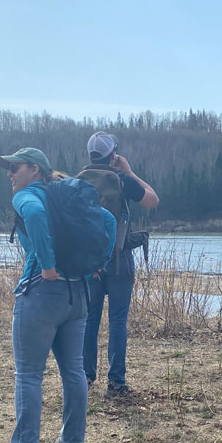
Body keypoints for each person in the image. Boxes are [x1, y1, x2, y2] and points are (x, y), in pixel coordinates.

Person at [0, 148, 116, 443]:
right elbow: (108, 220)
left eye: (15, 167)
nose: (10, 174)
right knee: (74, 371)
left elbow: (33, 216)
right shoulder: (68, 198)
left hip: (41, 293)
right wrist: (98, 264)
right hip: (78, 292)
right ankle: (71, 442)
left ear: (35, 169)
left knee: (29, 374)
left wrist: (47, 265)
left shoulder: (28, 195)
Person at [80, 132, 159, 397]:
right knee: (117, 321)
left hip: (88, 262)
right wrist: (130, 171)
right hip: (119, 259)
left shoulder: (78, 181)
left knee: (89, 320)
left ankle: (86, 378)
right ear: (113, 155)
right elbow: (152, 199)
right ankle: (116, 382)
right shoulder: (122, 180)